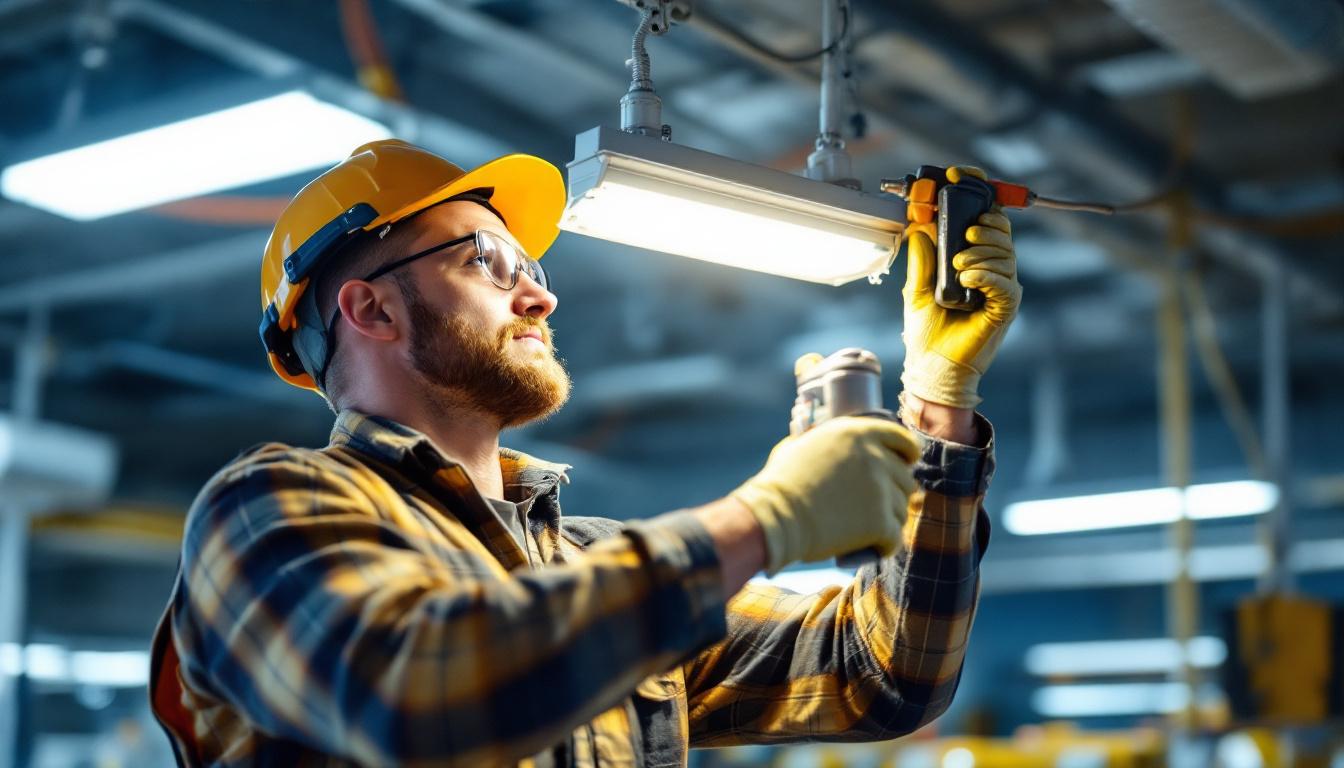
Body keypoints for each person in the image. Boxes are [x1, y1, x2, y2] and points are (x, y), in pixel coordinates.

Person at [149, 140, 1019, 767]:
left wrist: (939, 403)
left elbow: (881, 674)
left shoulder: (592, 563)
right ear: (371, 310)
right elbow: (414, 695)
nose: (541, 296)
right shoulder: (266, 510)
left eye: (534, 267)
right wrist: (764, 519)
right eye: (490, 261)